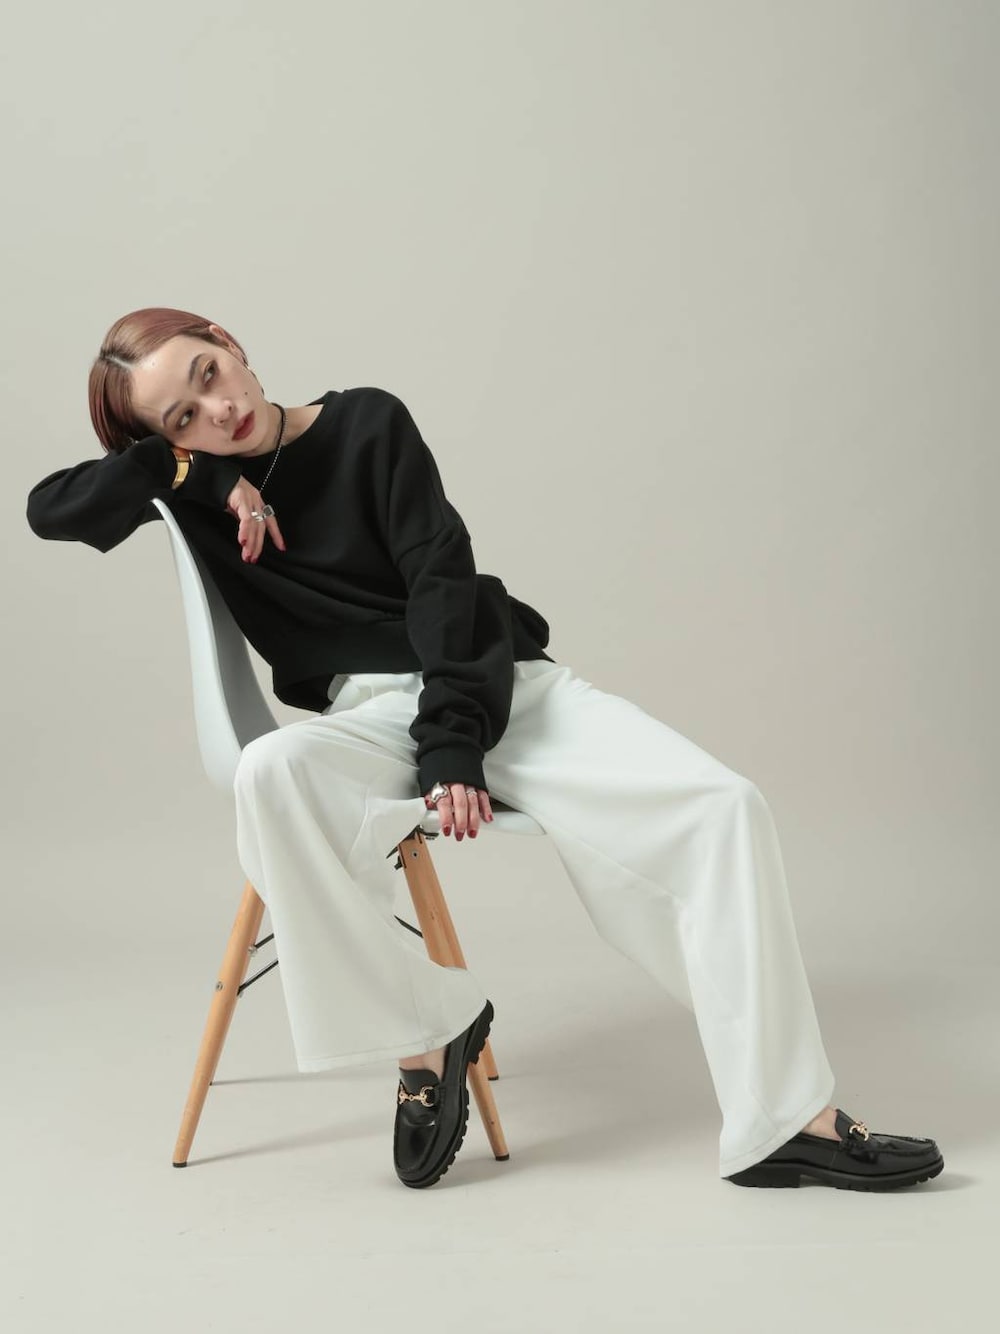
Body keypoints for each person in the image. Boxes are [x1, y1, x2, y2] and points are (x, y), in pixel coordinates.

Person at [26, 306, 943, 1192]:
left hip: (488, 680)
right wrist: (191, 476)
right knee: (271, 772)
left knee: (725, 807)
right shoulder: (190, 484)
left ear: (227, 340)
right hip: (365, 717)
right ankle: (426, 1032)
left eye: (209, 373)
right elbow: (49, 509)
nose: (219, 409)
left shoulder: (367, 423)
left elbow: (444, 582)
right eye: (184, 417)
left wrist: (452, 746)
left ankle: (788, 1121)